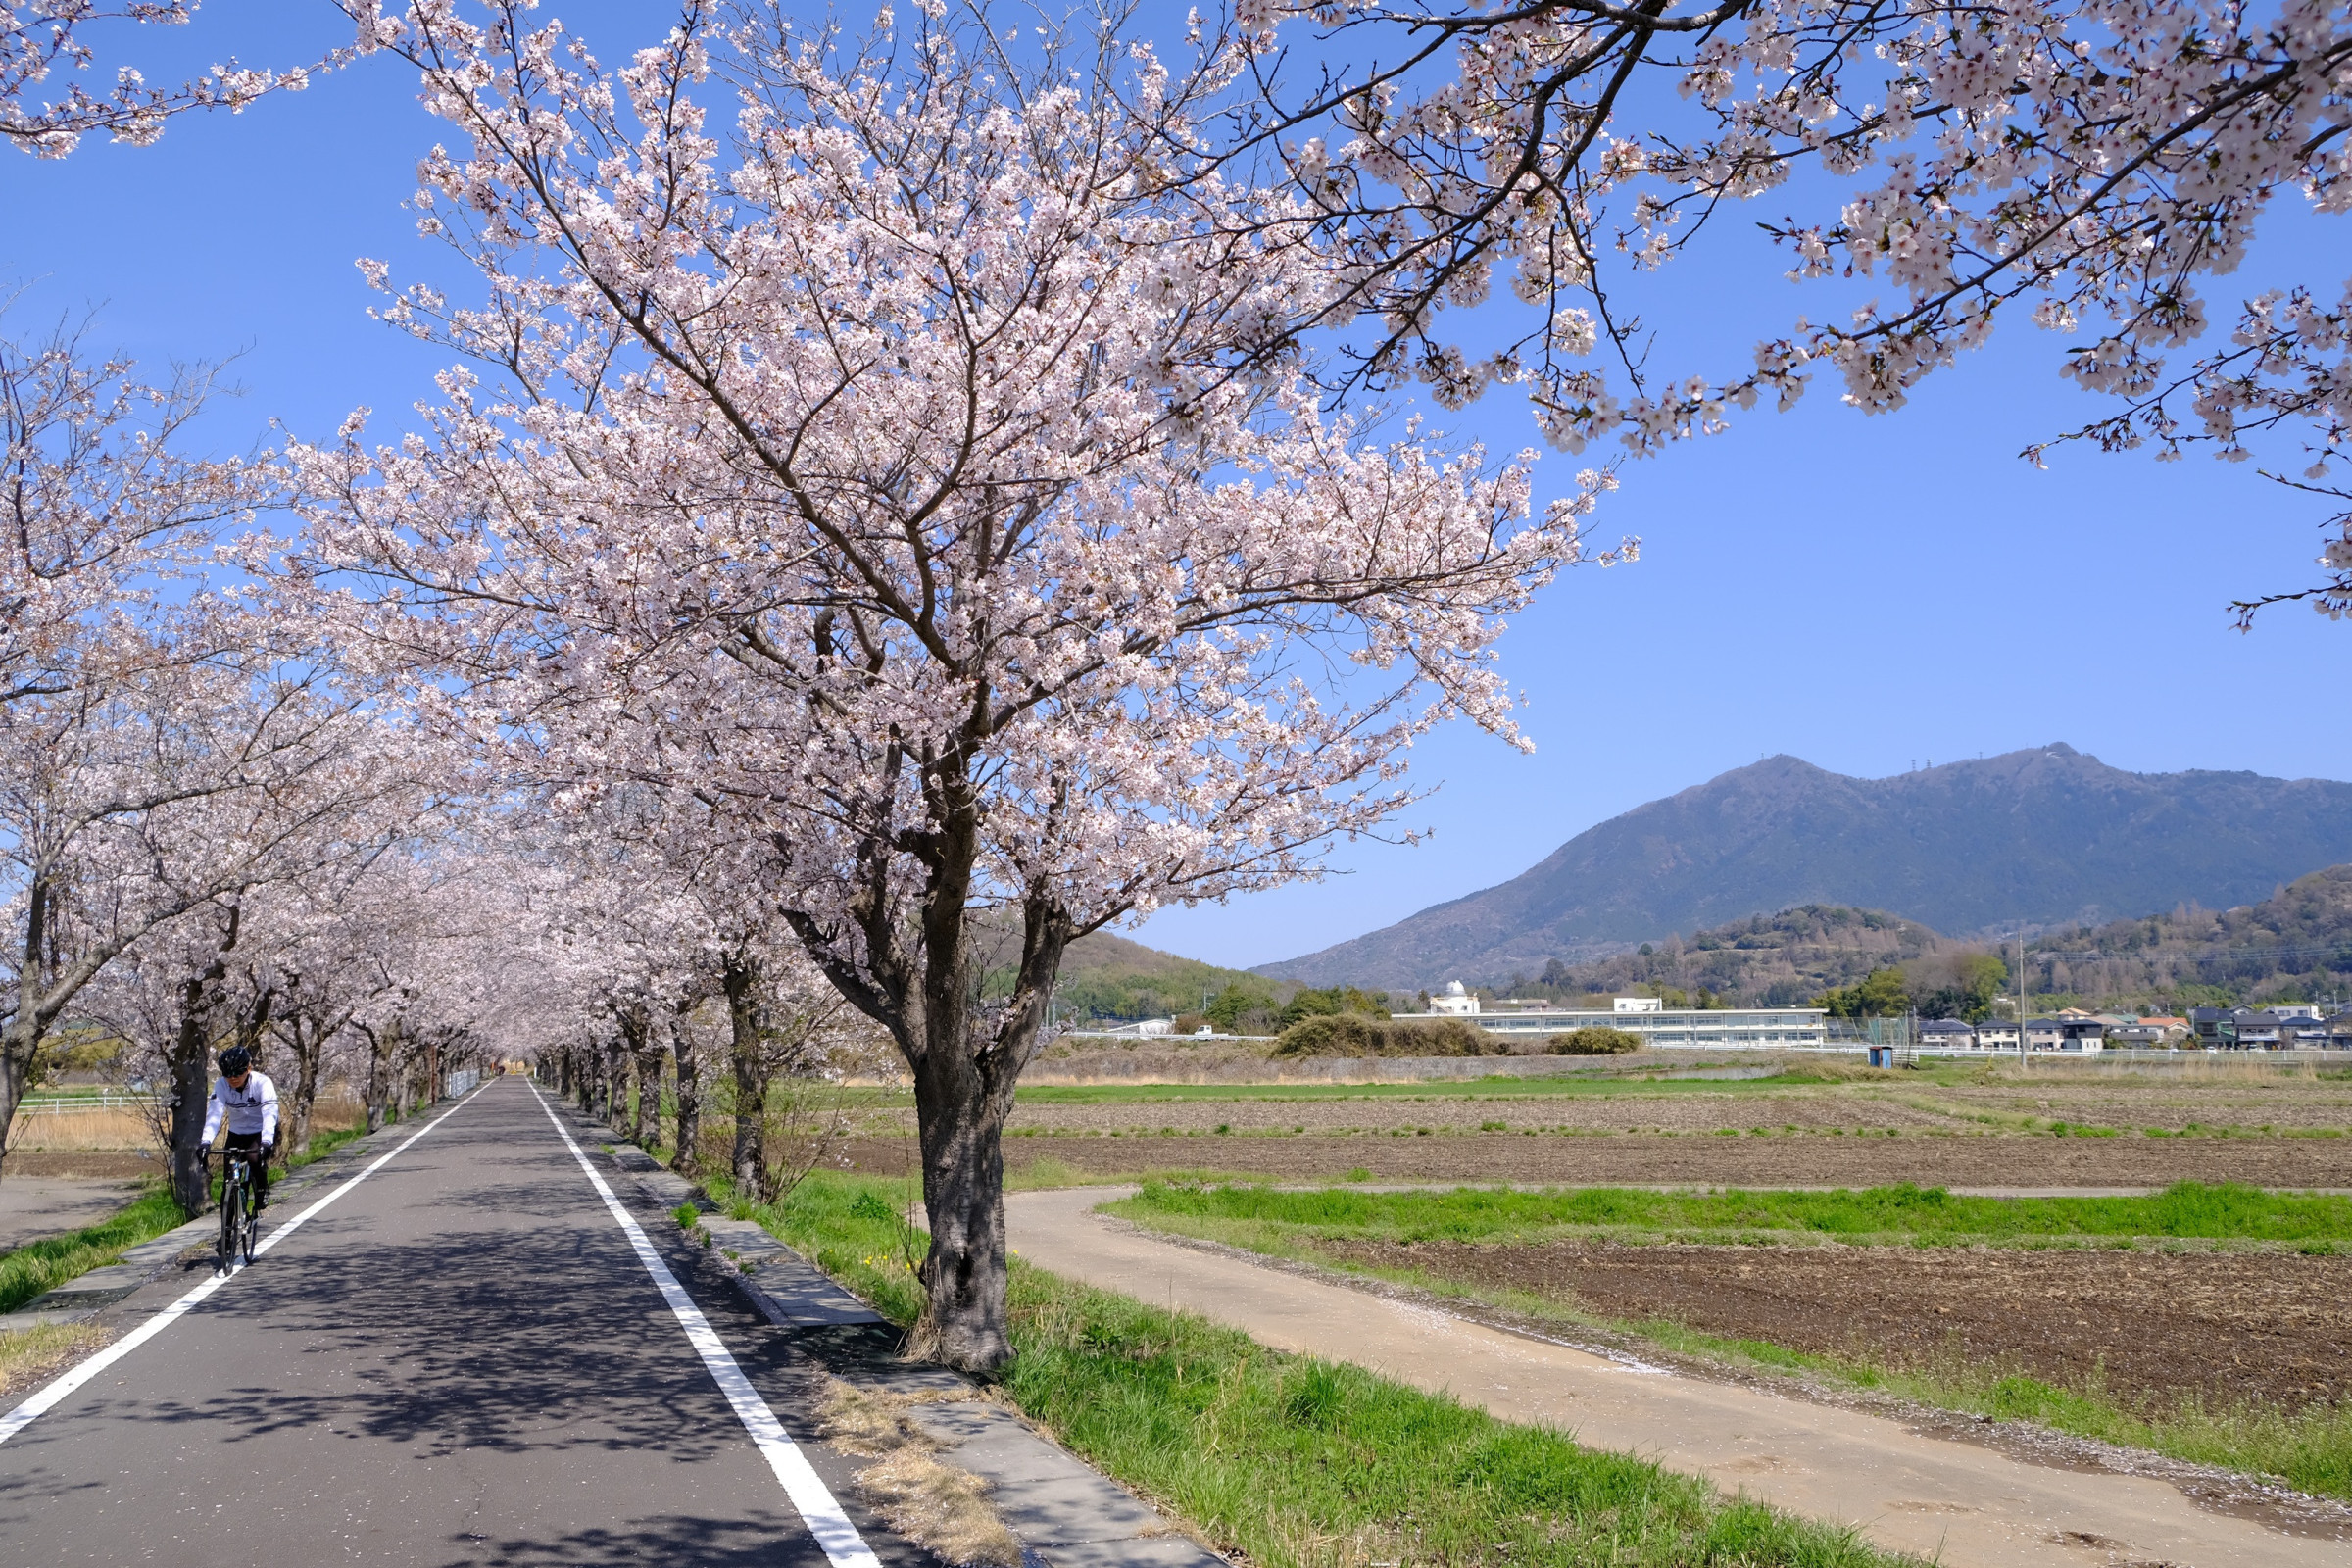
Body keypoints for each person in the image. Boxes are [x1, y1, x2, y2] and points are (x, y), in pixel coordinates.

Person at [202, 1046, 279, 1213]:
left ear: (249, 1068)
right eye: (228, 1074)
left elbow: (269, 1114)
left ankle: (261, 1187)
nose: (233, 1078)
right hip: (236, 1133)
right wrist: (205, 1142)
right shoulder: (222, 1085)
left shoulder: (262, 1083)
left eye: (238, 1073)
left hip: (259, 1131)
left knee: (254, 1158)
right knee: (228, 1179)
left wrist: (266, 1141)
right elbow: (214, 1115)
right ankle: (227, 1233)